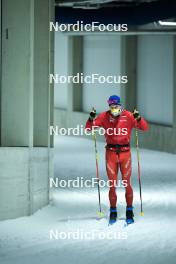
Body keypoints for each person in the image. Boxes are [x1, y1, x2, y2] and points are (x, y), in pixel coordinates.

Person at [85, 95, 149, 224]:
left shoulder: (129, 116)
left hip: (125, 153)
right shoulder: (104, 116)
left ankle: (129, 209)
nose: (115, 109)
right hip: (111, 153)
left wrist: (139, 118)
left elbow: (144, 127)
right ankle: (113, 210)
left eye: (117, 106)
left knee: (127, 183)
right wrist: (91, 118)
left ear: (121, 105)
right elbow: (88, 128)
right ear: (109, 106)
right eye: (112, 107)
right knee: (112, 184)